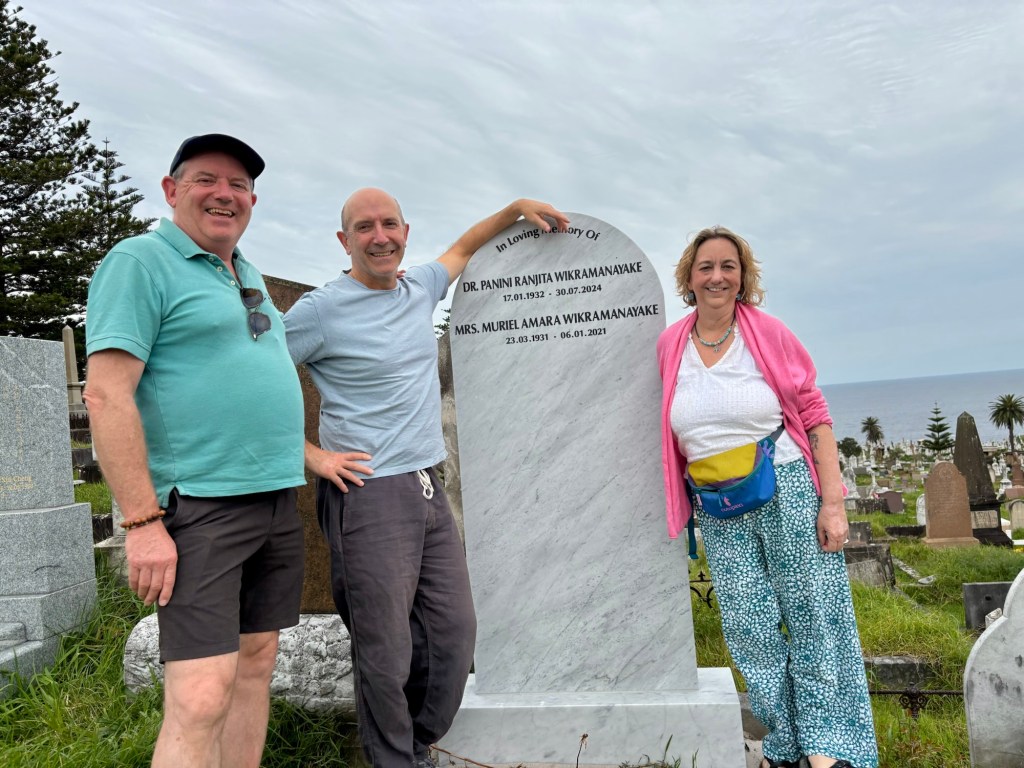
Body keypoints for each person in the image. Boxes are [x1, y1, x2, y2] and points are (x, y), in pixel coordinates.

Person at [284, 189, 568, 768]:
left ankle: (411, 746)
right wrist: (310, 455)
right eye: (365, 227)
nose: (380, 236)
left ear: (406, 232)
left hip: (426, 485)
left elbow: (464, 246)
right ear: (345, 241)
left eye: (390, 224)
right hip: (366, 493)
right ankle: (394, 760)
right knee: (384, 650)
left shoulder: (420, 288)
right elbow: (250, 378)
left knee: (453, 634)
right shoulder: (320, 310)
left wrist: (515, 209)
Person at [84, 134, 306, 768]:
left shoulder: (247, 271)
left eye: (238, 186)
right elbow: (106, 395)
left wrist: (309, 457)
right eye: (207, 179)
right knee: (201, 697)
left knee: (255, 666)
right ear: (171, 190)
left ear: (253, 201)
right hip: (199, 507)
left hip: (272, 500)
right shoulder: (140, 261)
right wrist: (143, 523)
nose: (224, 194)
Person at [657, 226, 878, 768]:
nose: (717, 276)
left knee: (812, 617)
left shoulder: (769, 333)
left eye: (728, 266)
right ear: (689, 277)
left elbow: (816, 417)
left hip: (787, 487)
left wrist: (833, 502)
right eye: (706, 266)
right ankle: (783, 743)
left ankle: (828, 749)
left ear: (743, 276)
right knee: (748, 628)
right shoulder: (670, 345)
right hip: (718, 504)